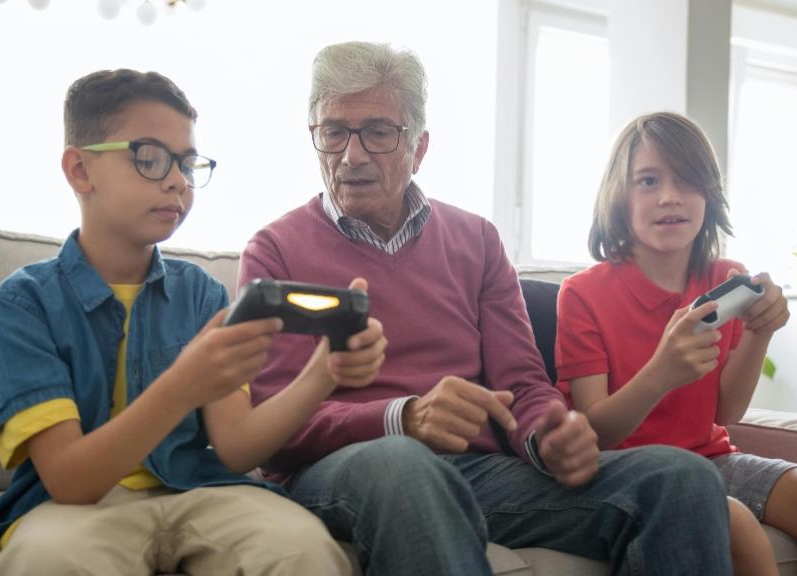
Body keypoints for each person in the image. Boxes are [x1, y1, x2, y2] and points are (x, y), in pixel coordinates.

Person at [239, 42, 734, 575]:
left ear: (419, 146)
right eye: (333, 132)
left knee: (681, 477)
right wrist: (401, 418)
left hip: (478, 471)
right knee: (403, 464)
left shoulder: (476, 240)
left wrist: (551, 432)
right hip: (341, 473)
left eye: (378, 132)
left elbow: (521, 382)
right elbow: (275, 423)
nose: (352, 155)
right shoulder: (275, 251)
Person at [0, 68, 387, 576]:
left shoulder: (201, 293)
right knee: (46, 559)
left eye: (186, 163)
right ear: (79, 170)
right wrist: (183, 384)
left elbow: (235, 447)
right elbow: (71, 482)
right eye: (151, 158)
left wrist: (322, 375)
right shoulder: (23, 304)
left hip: (197, 491)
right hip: (78, 507)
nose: (178, 181)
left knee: (301, 547)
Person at [556, 111, 797, 575]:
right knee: (736, 524)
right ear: (618, 196)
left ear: (709, 194)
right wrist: (661, 373)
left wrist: (761, 333)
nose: (669, 197)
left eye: (687, 181)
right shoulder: (582, 294)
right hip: (633, 473)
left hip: (713, 458)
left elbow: (725, 413)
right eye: (647, 181)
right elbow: (598, 433)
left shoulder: (725, 278)